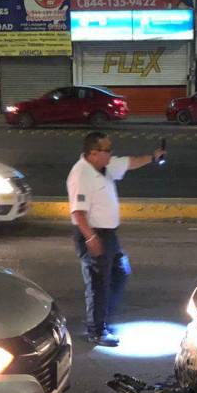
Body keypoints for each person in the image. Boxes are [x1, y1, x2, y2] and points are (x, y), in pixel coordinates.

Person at [67, 132, 164, 347]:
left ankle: (102, 317)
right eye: (107, 150)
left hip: (108, 235)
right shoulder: (81, 175)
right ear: (93, 153)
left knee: (120, 271)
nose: (112, 153)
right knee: (98, 283)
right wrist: (91, 239)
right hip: (93, 234)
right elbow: (78, 213)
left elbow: (130, 162)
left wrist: (153, 157)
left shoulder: (104, 166)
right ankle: (96, 330)